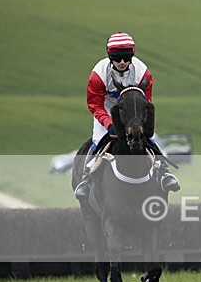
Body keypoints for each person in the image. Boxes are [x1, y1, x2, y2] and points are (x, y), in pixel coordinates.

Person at [74, 32, 180, 200]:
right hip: (107, 109)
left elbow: (146, 102)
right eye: (117, 58)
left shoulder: (143, 73)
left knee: (148, 140)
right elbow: (95, 104)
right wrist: (109, 124)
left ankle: (165, 173)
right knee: (99, 141)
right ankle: (86, 179)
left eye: (126, 57)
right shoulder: (98, 75)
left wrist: (139, 122)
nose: (122, 62)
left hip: (133, 111)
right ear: (110, 57)